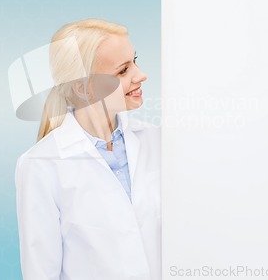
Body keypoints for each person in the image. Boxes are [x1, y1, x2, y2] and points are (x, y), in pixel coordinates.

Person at [15, 19, 161, 280]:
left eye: (135, 61)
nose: (141, 75)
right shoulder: (41, 165)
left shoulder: (157, 143)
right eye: (123, 70)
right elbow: (41, 272)